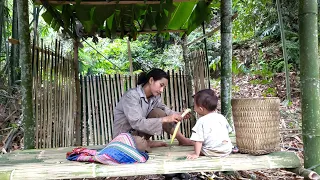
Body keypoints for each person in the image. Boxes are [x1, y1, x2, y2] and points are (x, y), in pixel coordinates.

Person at [113, 68, 194, 148]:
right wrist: (165, 119)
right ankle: (146, 143)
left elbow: (164, 109)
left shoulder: (154, 97)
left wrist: (180, 115)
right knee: (140, 144)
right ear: (151, 80)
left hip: (139, 134)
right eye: (161, 85)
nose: (162, 90)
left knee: (158, 112)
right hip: (124, 137)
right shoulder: (131, 96)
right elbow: (137, 123)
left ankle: (182, 140)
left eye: (164, 87)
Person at [187, 89, 232, 159]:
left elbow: (198, 140)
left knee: (196, 144)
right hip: (227, 150)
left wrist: (196, 154)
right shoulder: (221, 117)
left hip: (211, 151)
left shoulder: (201, 121)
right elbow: (228, 131)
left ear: (201, 109)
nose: (194, 108)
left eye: (195, 105)